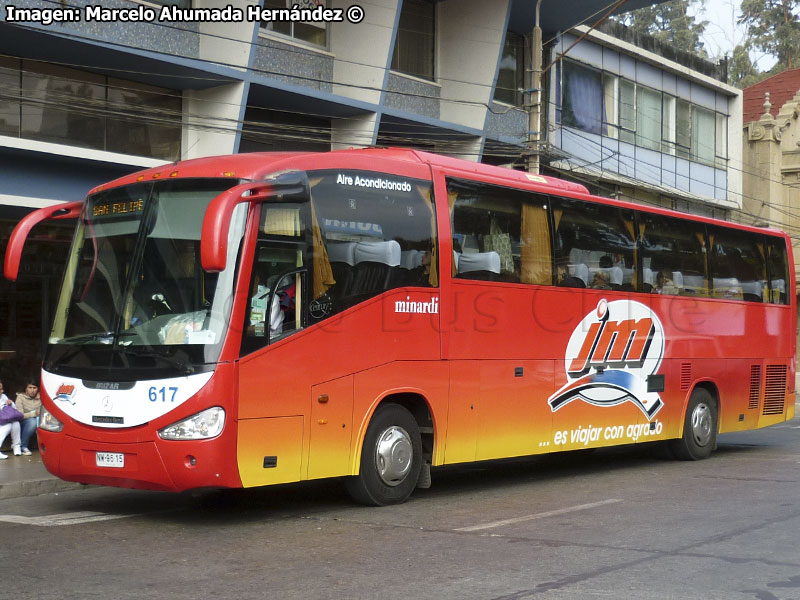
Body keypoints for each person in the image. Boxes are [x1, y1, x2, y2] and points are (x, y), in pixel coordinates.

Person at [15, 381, 41, 456]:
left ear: (37, 389)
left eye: (34, 388)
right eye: (30, 388)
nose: (32, 390)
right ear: (26, 389)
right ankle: (23, 446)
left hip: (39, 420)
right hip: (24, 422)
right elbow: (20, 415)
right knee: (32, 422)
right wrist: (33, 414)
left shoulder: (41, 397)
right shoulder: (20, 397)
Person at [0, 379, 21, 459]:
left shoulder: (4, 396)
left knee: (15, 423)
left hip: (3, 420)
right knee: (8, 425)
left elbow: (14, 411)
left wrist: (11, 403)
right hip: (2, 422)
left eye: (2, 389)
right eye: (0, 389)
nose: (1, 391)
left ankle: (16, 446)